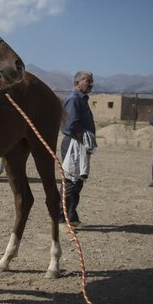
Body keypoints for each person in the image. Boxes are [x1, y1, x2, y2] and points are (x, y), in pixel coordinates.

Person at [59, 71, 95, 228]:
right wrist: (82, 135)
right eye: (87, 80)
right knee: (70, 180)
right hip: (74, 144)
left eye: (91, 81)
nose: (91, 83)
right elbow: (69, 125)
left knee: (78, 181)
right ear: (77, 82)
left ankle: (71, 215)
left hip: (80, 144)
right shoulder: (74, 99)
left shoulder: (82, 100)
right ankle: (61, 217)